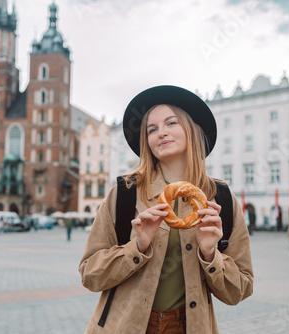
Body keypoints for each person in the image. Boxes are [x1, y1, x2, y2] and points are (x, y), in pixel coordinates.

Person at [79, 85, 254, 333]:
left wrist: (209, 253)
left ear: (191, 129)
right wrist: (136, 247)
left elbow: (240, 290)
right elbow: (89, 274)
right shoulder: (125, 192)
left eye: (171, 123)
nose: (161, 133)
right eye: (152, 129)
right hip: (125, 325)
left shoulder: (221, 198)